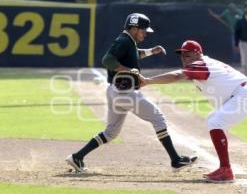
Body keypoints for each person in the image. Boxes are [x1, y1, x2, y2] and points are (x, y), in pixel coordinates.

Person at [66, 13, 197, 173]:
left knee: (111, 132)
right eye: (143, 30)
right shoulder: (123, 40)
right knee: (158, 118)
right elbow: (107, 60)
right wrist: (130, 71)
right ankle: (175, 160)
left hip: (115, 91)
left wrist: (151, 51)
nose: (145, 33)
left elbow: (134, 54)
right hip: (125, 93)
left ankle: (77, 157)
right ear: (134, 28)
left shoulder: (128, 41)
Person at [140, 40, 247, 183]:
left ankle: (226, 170)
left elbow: (177, 76)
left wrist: (148, 81)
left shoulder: (201, 64)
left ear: (198, 54)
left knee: (216, 122)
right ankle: (224, 168)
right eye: (182, 55)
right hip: (241, 94)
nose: (184, 58)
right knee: (213, 119)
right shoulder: (203, 64)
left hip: (245, 95)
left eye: (188, 55)